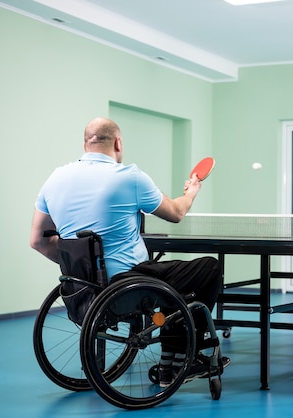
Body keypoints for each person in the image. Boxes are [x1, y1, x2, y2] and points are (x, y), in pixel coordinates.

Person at [29, 116, 228, 387]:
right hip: (130, 283)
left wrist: (85, 269)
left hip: (80, 289)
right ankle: (184, 358)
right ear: (118, 143)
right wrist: (191, 191)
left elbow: (38, 241)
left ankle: (170, 353)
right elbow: (177, 212)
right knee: (208, 269)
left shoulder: (55, 178)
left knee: (171, 279)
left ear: (86, 143)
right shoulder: (130, 177)